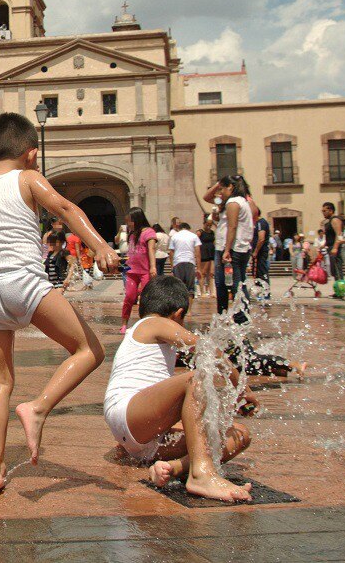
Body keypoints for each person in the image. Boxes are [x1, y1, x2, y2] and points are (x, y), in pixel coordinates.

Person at [0, 112, 117, 493]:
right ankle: (38, 407)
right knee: (89, 349)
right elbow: (66, 210)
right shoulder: (29, 178)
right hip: (24, 283)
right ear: (32, 155)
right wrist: (99, 244)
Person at [104, 276, 255, 503]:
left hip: (139, 434)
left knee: (238, 434)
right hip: (130, 415)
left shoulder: (141, 334)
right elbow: (207, 350)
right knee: (195, 379)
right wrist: (242, 389)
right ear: (178, 314)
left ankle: (173, 467)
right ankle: (200, 474)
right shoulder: (153, 323)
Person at [203, 176, 254, 315]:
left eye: (222, 189)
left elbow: (232, 227)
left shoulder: (233, 202)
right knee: (225, 285)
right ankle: (227, 316)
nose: (219, 193)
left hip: (231, 249)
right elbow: (207, 197)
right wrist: (220, 183)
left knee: (235, 286)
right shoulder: (237, 201)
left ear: (230, 187)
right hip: (236, 248)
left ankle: (239, 320)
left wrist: (226, 250)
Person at [122, 208, 157, 333]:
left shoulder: (149, 232)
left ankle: (145, 322)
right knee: (129, 297)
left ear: (137, 219)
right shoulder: (132, 233)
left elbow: (151, 250)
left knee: (145, 297)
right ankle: (124, 323)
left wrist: (153, 267)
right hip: (131, 270)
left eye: (129, 221)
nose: (128, 224)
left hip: (145, 271)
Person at [168, 222, 201, 295]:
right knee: (190, 289)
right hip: (190, 262)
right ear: (189, 228)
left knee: (178, 288)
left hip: (178, 262)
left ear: (179, 228)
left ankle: (180, 305)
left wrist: (172, 266)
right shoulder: (194, 236)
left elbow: (171, 252)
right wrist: (198, 268)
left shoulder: (174, 236)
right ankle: (189, 306)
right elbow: (198, 253)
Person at [322, 202, 345, 292]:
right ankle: (338, 291)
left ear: (331, 210)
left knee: (338, 270)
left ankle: (342, 291)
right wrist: (323, 245)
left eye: (325, 210)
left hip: (335, 249)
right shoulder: (330, 221)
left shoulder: (335, 220)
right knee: (334, 271)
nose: (323, 212)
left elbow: (338, 234)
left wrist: (335, 247)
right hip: (330, 247)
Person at [197, 219, 216, 302]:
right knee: (203, 273)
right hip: (203, 253)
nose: (209, 226)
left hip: (211, 253)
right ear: (204, 224)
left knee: (211, 273)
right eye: (207, 225)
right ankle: (202, 291)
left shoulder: (212, 232)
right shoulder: (200, 232)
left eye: (210, 225)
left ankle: (211, 291)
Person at [251, 211, 271, 285]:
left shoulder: (260, 223)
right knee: (256, 272)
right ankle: (258, 289)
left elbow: (261, 238)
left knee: (261, 271)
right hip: (257, 252)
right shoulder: (256, 223)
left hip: (261, 252)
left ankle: (265, 291)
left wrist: (256, 251)